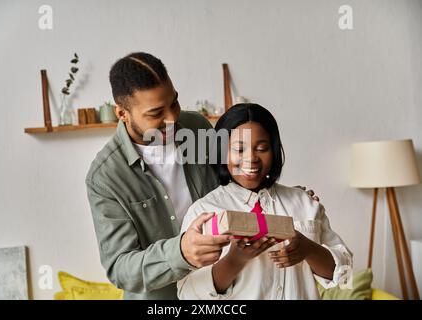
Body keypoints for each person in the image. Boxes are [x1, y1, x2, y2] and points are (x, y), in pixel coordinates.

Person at [86, 52, 320, 299]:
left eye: (174, 103)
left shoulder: (196, 128)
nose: (172, 119)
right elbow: (120, 268)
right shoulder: (106, 176)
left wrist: (286, 197)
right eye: (156, 113)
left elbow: (234, 178)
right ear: (122, 113)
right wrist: (182, 253)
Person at [177, 103, 352, 299]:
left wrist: (308, 249)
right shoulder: (203, 212)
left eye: (262, 148)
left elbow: (345, 275)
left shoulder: (304, 202)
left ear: (274, 151)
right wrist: (234, 261)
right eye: (239, 149)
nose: (251, 158)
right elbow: (188, 294)